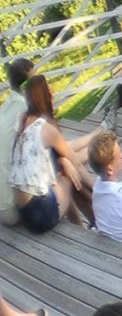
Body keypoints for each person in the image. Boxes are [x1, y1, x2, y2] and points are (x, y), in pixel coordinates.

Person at [8, 74, 89, 231]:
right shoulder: (46, 129)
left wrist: (63, 161)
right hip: (40, 214)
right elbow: (75, 160)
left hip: (23, 213)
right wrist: (67, 163)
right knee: (68, 177)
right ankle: (90, 221)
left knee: (64, 171)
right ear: (46, 96)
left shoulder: (21, 120)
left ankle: (80, 226)